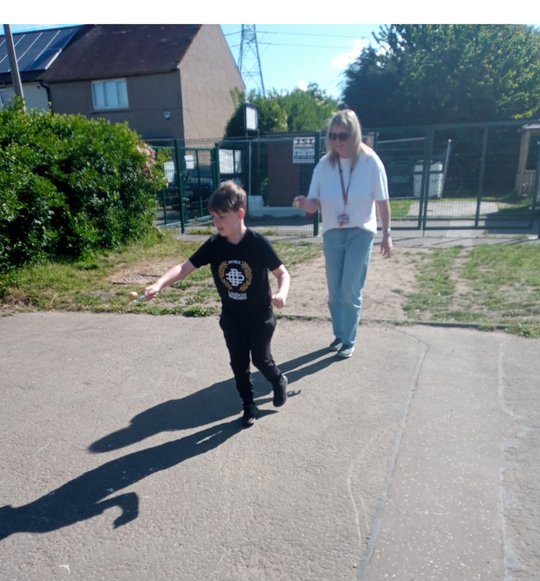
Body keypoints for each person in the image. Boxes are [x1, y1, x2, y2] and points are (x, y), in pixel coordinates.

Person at [144, 181, 290, 428]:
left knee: (261, 360)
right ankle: (248, 405)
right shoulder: (214, 245)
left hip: (260, 317)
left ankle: (278, 381)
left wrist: (282, 294)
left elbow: (282, 273)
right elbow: (184, 267)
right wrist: (159, 284)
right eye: (214, 216)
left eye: (222, 216)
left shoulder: (257, 243)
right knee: (239, 364)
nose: (217, 222)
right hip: (232, 318)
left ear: (240, 214)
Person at [294, 109, 392, 359]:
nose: (338, 141)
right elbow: (315, 203)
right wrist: (306, 204)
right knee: (335, 290)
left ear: (354, 135)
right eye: (333, 135)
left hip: (361, 232)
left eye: (343, 135)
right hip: (333, 233)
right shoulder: (324, 165)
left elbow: (382, 201)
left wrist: (387, 233)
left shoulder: (371, 162)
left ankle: (349, 339)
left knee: (350, 288)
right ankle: (339, 334)